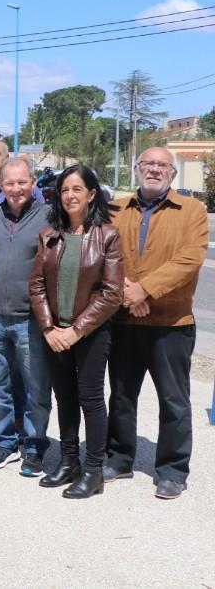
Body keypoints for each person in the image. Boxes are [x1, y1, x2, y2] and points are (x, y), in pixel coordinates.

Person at [106, 147, 206, 500]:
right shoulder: (116, 207)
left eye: (162, 165)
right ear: (136, 169)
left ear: (173, 174)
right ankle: (118, 458)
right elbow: (105, 255)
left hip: (171, 322)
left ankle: (173, 471)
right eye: (148, 163)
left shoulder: (192, 210)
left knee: (174, 401)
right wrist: (126, 294)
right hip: (122, 321)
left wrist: (145, 291)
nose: (154, 169)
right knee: (120, 396)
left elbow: (190, 258)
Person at [29, 164, 123, 498]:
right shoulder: (49, 235)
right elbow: (37, 286)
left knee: (91, 399)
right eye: (65, 189)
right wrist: (49, 327)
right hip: (56, 332)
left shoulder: (108, 236)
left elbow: (112, 293)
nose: (70, 195)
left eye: (77, 189)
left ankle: (94, 470)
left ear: (91, 194)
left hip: (91, 334)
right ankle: (69, 461)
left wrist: (77, 330)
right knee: (64, 398)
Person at [0, 157, 51, 474]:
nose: (16, 188)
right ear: (0, 185)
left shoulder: (49, 217)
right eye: (9, 183)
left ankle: (34, 445)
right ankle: (4, 442)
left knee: (35, 387)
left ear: (32, 182)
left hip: (30, 318)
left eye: (22, 182)